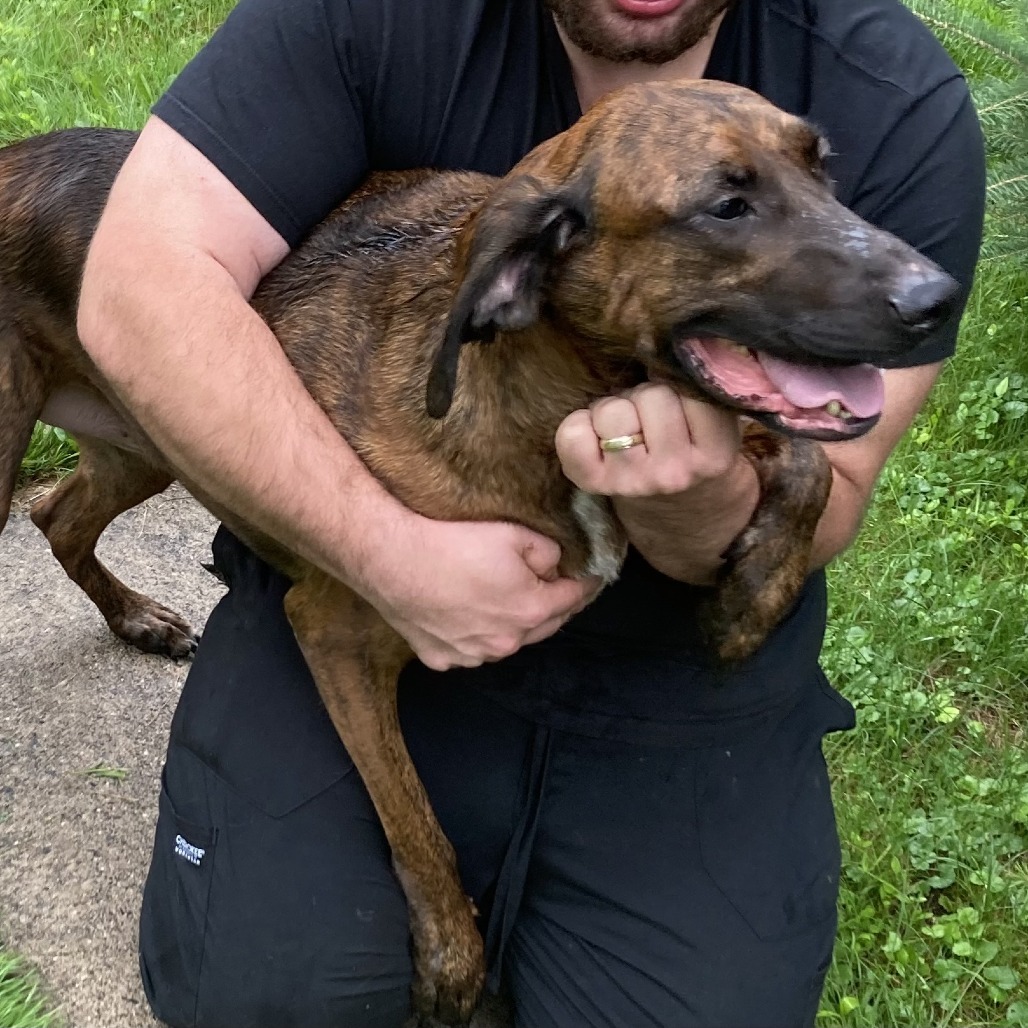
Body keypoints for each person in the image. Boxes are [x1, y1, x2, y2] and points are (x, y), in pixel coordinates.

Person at [76, 0, 985, 1025]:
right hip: (372, 595)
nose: (907, 279)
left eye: (810, 173)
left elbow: (833, 484)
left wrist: (714, 500)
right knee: (272, 991)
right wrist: (385, 554)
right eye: (729, 207)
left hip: (672, 680)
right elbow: (135, 278)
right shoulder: (363, 24)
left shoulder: (890, 85)